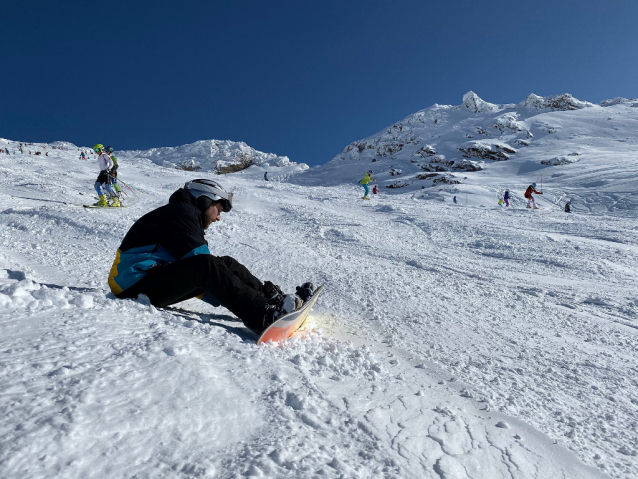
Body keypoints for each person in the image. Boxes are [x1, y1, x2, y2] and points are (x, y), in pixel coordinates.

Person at [107, 179, 314, 334]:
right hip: (132, 284)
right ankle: (264, 316)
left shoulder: (182, 213)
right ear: (204, 201)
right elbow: (201, 265)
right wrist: (221, 289)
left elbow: (197, 273)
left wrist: (219, 288)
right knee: (207, 265)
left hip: (147, 280)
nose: (218, 218)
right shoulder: (181, 212)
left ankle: (275, 301)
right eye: (218, 209)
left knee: (224, 263)